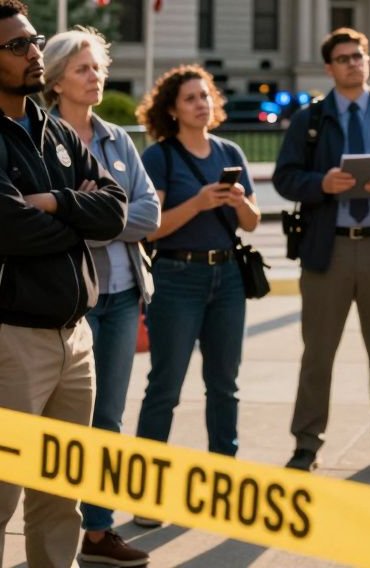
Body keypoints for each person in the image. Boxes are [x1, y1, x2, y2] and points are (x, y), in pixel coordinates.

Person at [0, 0, 128, 568]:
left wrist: (57, 202)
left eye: (34, 40)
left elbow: (114, 210)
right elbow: (12, 231)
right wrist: (76, 216)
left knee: (62, 499)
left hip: (74, 337)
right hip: (5, 341)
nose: (34, 51)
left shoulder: (53, 127)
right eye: (18, 45)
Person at [272, 28, 370, 473]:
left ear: (367, 60)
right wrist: (320, 184)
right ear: (329, 68)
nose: (352, 64)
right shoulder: (311, 120)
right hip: (328, 252)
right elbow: (286, 177)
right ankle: (306, 443)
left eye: (358, 56)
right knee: (318, 354)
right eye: (342, 59)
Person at [41, 27, 159, 567]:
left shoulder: (116, 138)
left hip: (122, 295)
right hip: (69, 301)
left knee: (108, 417)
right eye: (85, 69)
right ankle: (57, 531)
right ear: (57, 77)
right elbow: (35, 220)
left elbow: (148, 214)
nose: (96, 78)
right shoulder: (38, 137)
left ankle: (98, 530)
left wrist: (86, 213)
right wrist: (100, 215)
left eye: (99, 69)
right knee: (66, 425)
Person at [135, 65, 259, 470]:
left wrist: (239, 202)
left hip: (228, 279)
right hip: (176, 279)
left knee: (225, 386)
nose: (201, 104)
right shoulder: (160, 156)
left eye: (205, 96)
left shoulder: (230, 152)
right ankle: (147, 486)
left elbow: (252, 221)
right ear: (172, 109)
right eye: (190, 98)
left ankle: (226, 477)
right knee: (165, 387)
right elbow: (150, 229)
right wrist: (199, 203)